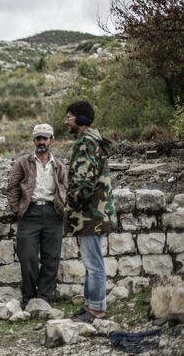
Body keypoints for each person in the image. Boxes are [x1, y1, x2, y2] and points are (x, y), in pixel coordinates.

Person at [64, 101, 117, 323]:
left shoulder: (86, 142)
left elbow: (83, 182)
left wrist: (70, 203)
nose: (66, 120)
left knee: (93, 263)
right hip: (95, 212)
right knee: (90, 262)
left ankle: (96, 309)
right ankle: (89, 304)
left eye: (69, 116)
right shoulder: (93, 139)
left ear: (81, 119)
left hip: (90, 214)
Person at [7, 124, 67, 309]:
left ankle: (43, 299)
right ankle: (29, 299)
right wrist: (17, 209)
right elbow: (12, 186)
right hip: (29, 214)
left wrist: (63, 205)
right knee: (28, 258)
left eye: (45, 138)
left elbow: (65, 187)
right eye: (38, 138)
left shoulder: (58, 165)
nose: (42, 142)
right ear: (34, 140)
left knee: (51, 258)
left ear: (51, 140)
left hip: (53, 214)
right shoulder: (23, 162)